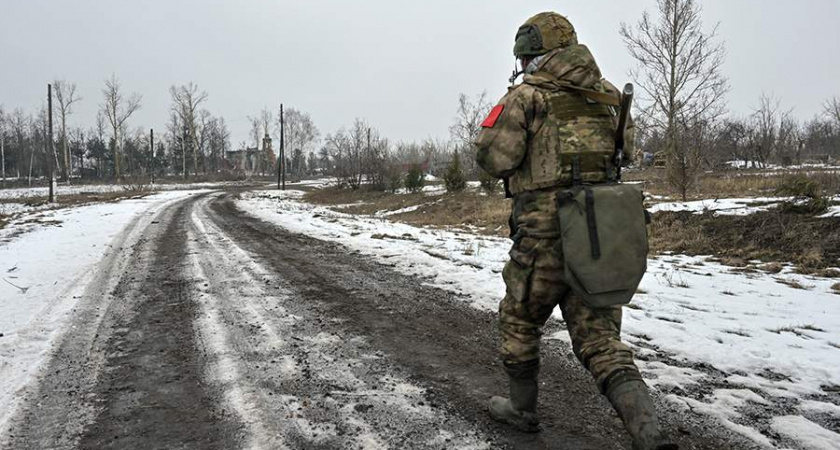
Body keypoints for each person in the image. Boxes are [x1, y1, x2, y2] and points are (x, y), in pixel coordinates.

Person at [474, 12, 677, 450]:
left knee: (520, 318)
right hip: (597, 235)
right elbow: (628, 151)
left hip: (542, 234)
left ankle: (522, 410)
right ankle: (649, 433)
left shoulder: (527, 96)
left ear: (531, 54)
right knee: (601, 340)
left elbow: (494, 160)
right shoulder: (608, 96)